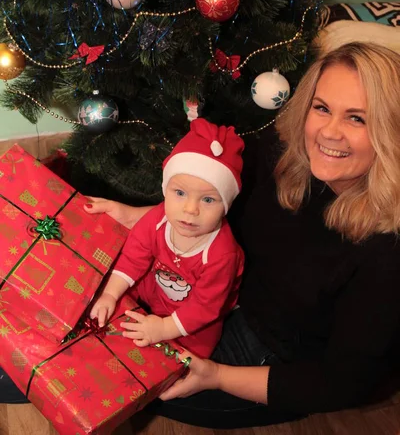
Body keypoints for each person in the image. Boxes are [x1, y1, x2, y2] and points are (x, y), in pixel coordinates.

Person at [2, 41, 400, 429]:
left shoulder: (386, 253)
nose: (329, 132)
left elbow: (344, 382)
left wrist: (216, 376)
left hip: (270, 363)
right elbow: (219, 207)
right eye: (322, 107)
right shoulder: (286, 157)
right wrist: (137, 216)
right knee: (85, 296)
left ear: (391, 129)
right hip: (220, 295)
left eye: (357, 118)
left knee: (102, 370)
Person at [90, 118, 245, 358]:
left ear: (225, 206)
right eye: (180, 193)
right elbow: (133, 257)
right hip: (157, 287)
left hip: (195, 316)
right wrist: (110, 293)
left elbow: (205, 307)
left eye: (208, 200)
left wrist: (164, 328)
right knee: (114, 300)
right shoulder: (158, 218)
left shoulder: (222, 254)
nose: (190, 209)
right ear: (166, 189)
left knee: (189, 355)